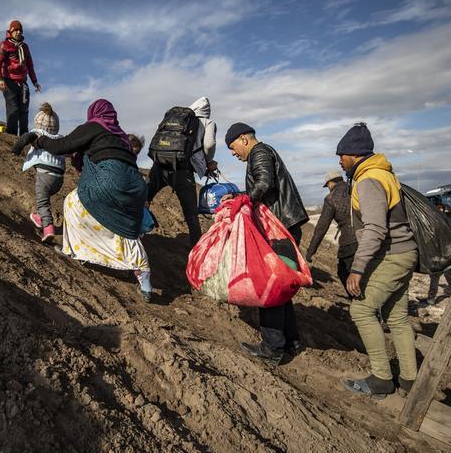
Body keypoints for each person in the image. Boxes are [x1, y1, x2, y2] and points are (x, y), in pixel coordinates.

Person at [29, 99, 153, 302]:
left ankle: (74, 252)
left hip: (108, 181)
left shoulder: (94, 126)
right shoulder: (121, 136)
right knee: (125, 228)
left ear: (94, 113)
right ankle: (145, 279)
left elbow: (61, 145)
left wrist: (39, 140)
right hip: (136, 188)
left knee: (72, 203)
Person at [336, 123, 418, 399]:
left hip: (392, 255)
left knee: (360, 311)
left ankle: (382, 378)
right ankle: (409, 380)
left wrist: (358, 269)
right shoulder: (385, 174)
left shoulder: (369, 179)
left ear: (354, 154)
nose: (340, 161)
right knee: (397, 318)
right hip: (404, 252)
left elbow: (375, 229)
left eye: (342, 155)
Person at [222, 123, 308, 363]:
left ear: (244, 139)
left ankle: (272, 348)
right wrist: (242, 195)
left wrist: (243, 200)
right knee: (281, 284)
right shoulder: (267, 152)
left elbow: (264, 182)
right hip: (286, 227)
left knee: (269, 285)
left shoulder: (259, 152)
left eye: (233, 146)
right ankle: (292, 341)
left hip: (279, 230)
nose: (233, 152)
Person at [146, 97, 219, 247]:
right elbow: (209, 144)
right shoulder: (207, 122)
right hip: (182, 171)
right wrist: (208, 162)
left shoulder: (176, 119)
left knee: (143, 199)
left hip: (159, 166)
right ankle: (197, 253)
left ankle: (134, 239)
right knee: (191, 215)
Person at [11, 103, 65, 242]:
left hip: (44, 175)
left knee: (43, 203)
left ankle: (48, 229)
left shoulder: (38, 134)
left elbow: (25, 138)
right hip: (59, 178)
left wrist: (16, 149)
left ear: (38, 123)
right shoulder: (60, 138)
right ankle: (40, 218)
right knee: (44, 198)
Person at [305, 168, 357, 294]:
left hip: (350, 243)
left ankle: (359, 305)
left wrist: (311, 251)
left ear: (330, 183)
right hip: (369, 237)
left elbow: (321, 228)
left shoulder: (331, 198)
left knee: (345, 273)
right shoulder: (355, 188)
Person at [0, 20, 41, 135]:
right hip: (9, 81)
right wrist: (0, 79)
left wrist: (35, 82)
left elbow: (30, 66)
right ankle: (11, 135)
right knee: (13, 110)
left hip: (23, 82)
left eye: (20, 30)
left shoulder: (25, 47)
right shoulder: (4, 45)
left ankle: (24, 136)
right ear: (11, 31)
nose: (19, 32)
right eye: (16, 30)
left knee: (24, 111)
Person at [426, 202, 451, 305]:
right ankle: (431, 298)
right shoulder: (448, 222)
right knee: (435, 277)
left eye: (440, 209)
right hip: (441, 255)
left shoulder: (445, 222)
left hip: (447, 256)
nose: (438, 211)